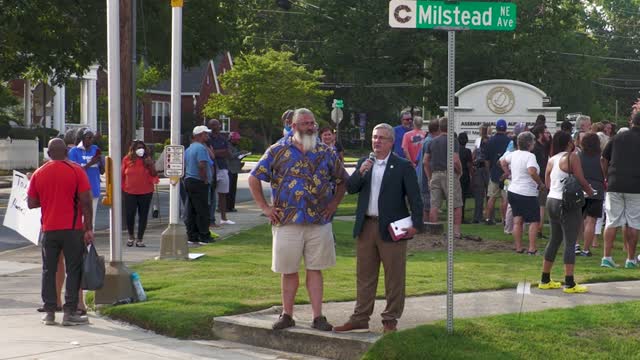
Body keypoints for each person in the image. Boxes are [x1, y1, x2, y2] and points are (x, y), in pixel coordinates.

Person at [249, 108, 346, 332]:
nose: (310, 127)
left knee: (315, 268)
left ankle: (318, 316)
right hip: (287, 221)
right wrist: (265, 207)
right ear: (293, 126)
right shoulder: (277, 150)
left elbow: (342, 179)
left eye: (312, 123)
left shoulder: (325, 151)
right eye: (305, 123)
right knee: (288, 270)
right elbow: (255, 177)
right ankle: (287, 314)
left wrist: (333, 205)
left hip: (318, 221)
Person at [333, 123, 423, 334]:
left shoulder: (402, 166)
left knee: (394, 277)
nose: (377, 141)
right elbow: (351, 188)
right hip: (366, 227)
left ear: (391, 142)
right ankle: (360, 317)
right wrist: (361, 171)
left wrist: (416, 225)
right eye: (374, 137)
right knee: (364, 275)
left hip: (391, 229)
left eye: (382, 138)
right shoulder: (365, 162)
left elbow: (416, 199)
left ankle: (390, 319)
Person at [27, 138, 93, 326]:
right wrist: (88, 228)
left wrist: (47, 200)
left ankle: (49, 311)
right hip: (72, 229)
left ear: (48, 154)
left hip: (49, 229)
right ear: (66, 152)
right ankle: (70, 311)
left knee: (49, 269)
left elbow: (31, 203)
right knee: (74, 269)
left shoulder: (39, 173)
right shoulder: (76, 171)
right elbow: (86, 202)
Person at [538, 131, 594, 293]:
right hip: (566, 203)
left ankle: (545, 279)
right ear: (569, 143)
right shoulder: (572, 157)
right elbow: (581, 179)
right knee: (570, 241)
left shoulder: (552, 159)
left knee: (555, 240)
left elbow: (548, 183)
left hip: (552, 200)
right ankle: (569, 283)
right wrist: (591, 192)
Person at [600, 112, 640, 269]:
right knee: (633, 223)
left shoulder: (617, 138)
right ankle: (630, 259)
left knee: (612, 221)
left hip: (614, 183)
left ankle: (606, 257)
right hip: (636, 186)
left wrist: (606, 177)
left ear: (631, 122)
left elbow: (603, 159)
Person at [500, 132, 543, 254]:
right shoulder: (530, 156)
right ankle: (532, 248)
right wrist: (540, 183)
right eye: (533, 142)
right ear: (529, 143)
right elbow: (532, 171)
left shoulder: (513, 154)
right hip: (527, 192)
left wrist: (508, 173)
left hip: (513, 190)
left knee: (517, 220)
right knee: (534, 221)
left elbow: (502, 161)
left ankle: (518, 247)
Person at [424, 117, 463, 237]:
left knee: (434, 205)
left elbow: (425, 161)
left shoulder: (431, 141)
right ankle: (455, 232)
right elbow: (455, 160)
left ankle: (434, 231)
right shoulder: (453, 140)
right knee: (456, 204)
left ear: (440, 127)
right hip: (449, 173)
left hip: (435, 174)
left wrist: (429, 177)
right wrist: (460, 171)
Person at [121, 140, 158, 248]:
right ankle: (131, 236)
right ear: (133, 149)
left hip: (146, 192)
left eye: (142, 147)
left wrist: (150, 164)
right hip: (130, 192)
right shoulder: (127, 159)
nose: (140, 150)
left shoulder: (148, 159)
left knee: (143, 215)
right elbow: (122, 175)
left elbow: (154, 174)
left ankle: (140, 239)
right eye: (138, 148)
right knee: (130, 214)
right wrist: (122, 189)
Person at [67, 129, 104, 229]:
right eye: (89, 138)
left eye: (93, 138)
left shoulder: (95, 149)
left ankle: (89, 243)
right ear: (82, 138)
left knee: (91, 219)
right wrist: (90, 163)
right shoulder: (74, 152)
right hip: (80, 191)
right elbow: (74, 172)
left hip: (94, 188)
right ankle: (79, 242)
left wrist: (101, 161)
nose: (91, 140)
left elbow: (102, 171)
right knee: (80, 218)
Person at [184, 125, 215, 245]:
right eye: (205, 134)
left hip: (189, 180)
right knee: (202, 209)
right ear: (199, 135)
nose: (207, 136)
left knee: (191, 209)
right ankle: (204, 235)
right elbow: (202, 165)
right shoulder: (201, 148)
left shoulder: (190, 148)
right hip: (198, 181)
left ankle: (192, 235)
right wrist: (205, 179)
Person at [577, 133, 604, 257]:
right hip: (597, 190)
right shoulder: (601, 158)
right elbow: (605, 173)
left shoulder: (578, 156)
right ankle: (586, 249)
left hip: (580, 188)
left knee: (578, 219)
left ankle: (575, 245)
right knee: (591, 221)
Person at [206, 119, 234, 225]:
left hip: (222, 167)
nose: (215, 127)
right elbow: (209, 153)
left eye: (216, 124)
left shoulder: (223, 138)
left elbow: (228, 152)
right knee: (211, 194)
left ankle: (224, 218)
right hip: (211, 168)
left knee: (223, 193)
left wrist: (216, 152)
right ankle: (210, 219)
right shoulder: (207, 138)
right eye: (212, 125)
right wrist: (219, 152)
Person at [484, 119, 511, 225]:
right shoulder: (509, 141)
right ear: (505, 128)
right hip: (506, 174)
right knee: (505, 198)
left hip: (494, 173)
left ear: (496, 128)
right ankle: (504, 220)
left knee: (492, 197)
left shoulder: (490, 141)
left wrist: (489, 170)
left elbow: (486, 160)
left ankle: (488, 219)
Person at [417, 119, 440, 221]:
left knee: (427, 204)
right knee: (428, 205)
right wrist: (430, 178)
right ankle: (427, 228)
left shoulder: (427, 140)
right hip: (426, 178)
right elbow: (426, 162)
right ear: (437, 129)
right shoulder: (430, 141)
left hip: (423, 177)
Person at [531, 125, 551, 239]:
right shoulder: (537, 149)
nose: (548, 135)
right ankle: (538, 229)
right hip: (539, 180)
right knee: (541, 205)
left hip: (540, 179)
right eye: (546, 132)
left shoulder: (542, 147)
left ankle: (538, 228)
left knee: (541, 205)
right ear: (540, 134)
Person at [471, 123, 490, 223]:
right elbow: (475, 152)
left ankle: (489, 217)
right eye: (481, 129)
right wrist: (472, 161)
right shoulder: (478, 140)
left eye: (484, 129)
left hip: (487, 169)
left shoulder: (490, 140)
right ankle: (477, 217)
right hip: (479, 168)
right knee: (479, 194)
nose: (482, 131)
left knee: (489, 194)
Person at [226, 131, 248, 212]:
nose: (238, 142)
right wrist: (241, 153)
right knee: (228, 190)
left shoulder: (235, 147)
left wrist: (242, 157)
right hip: (229, 170)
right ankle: (226, 207)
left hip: (234, 170)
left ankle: (231, 206)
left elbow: (236, 157)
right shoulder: (227, 146)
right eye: (237, 140)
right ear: (232, 139)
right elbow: (231, 156)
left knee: (233, 190)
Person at [458, 132, 473, 224]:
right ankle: (461, 217)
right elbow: (469, 165)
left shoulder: (455, 150)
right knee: (463, 197)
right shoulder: (467, 151)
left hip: (456, 175)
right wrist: (472, 175)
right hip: (464, 176)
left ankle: (455, 217)